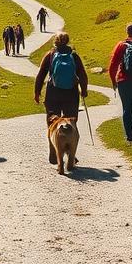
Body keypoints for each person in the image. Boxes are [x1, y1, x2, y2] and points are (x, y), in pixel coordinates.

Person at [34, 32, 88, 165]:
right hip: (71, 93)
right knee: (70, 124)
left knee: (53, 122)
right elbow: (82, 74)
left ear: (56, 42)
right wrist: (84, 90)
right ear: (68, 41)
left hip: (53, 93)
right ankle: (70, 154)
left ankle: (54, 151)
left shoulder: (50, 55)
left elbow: (41, 75)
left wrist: (37, 92)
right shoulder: (74, 56)